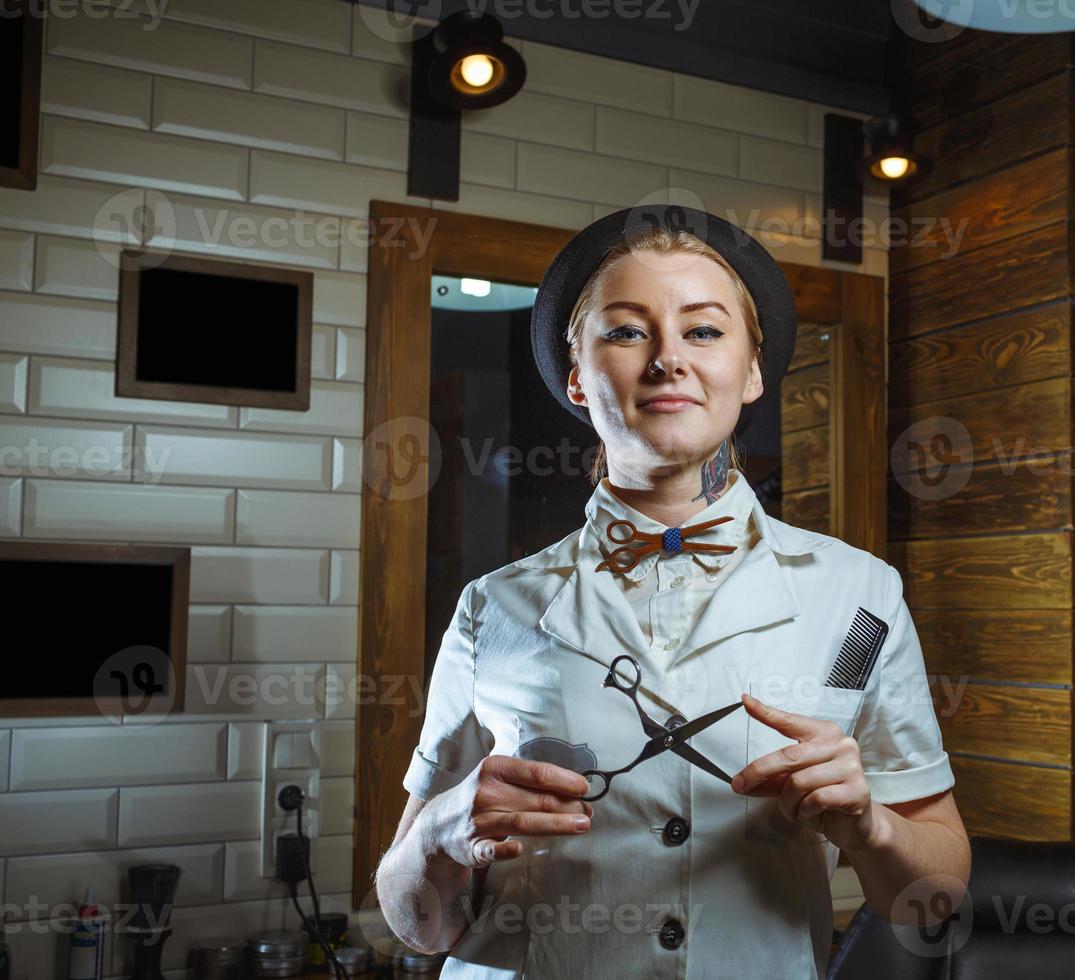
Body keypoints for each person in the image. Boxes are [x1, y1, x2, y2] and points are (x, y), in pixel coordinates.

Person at [373, 205, 969, 979]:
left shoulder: (860, 601)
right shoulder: (495, 608)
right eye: (625, 331)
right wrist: (436, 838)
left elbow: (935, 898)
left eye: (704, 330)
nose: (667, 359)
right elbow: (417, 926)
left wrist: (868, 826)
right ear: (578, 376)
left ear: (751, 369)